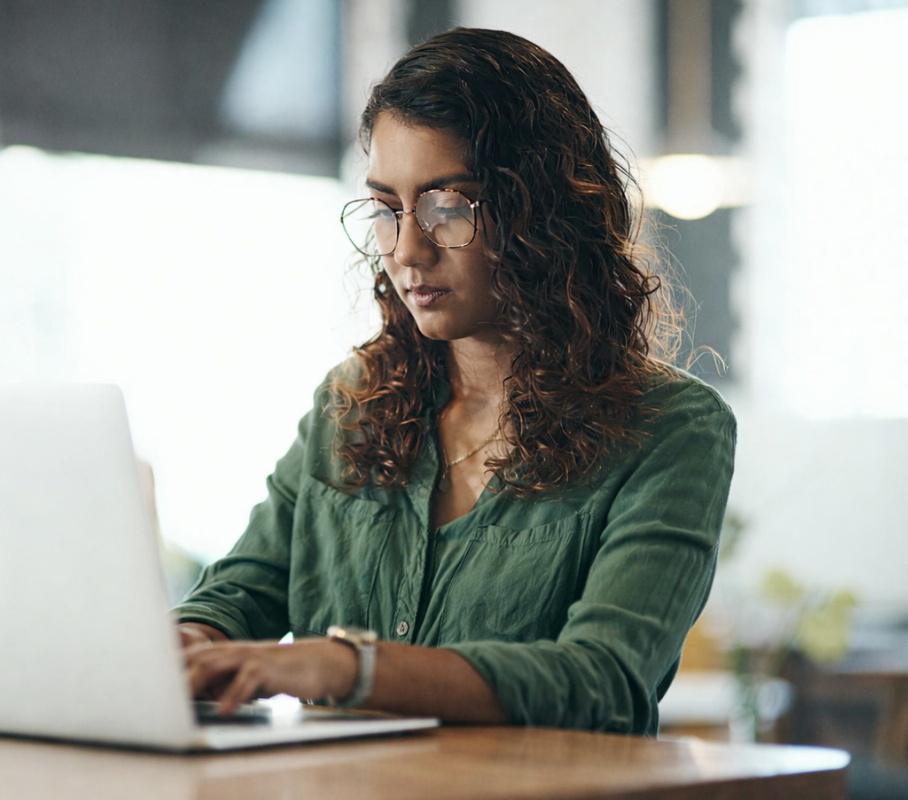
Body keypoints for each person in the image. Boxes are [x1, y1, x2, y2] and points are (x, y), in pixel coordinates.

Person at [174, 27, 736, 736]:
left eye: (448, 206)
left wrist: (354, 667)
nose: (407, 249)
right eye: (386, 208)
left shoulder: (670, 427)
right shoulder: (349, 406)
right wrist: (191, 641)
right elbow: (237, 594)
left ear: (542, 212)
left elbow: (604, 681)